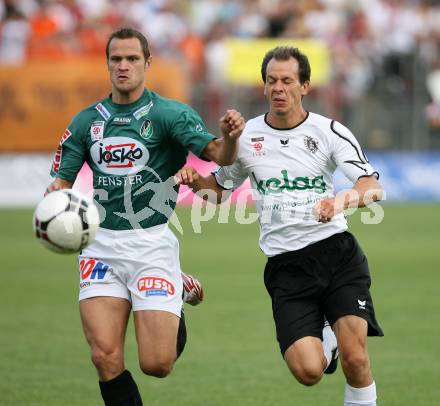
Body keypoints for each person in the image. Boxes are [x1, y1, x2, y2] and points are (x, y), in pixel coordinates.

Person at [45, 27, 245, 406]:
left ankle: (176, 288)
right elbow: (62, 183)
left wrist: (230, 137)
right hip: (100, 245)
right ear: (107, 64)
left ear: (147, 63)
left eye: (132, 58)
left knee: (157, 364)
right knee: (104, 357)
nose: (124, 66)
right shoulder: (86, 122)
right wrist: (55, 203)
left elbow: (220, 155)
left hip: (151, 244)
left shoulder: (169, 114)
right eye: (116, 59)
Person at [176, 46, 384, 406]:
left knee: (357, 358)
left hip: (336, 255)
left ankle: (342, 348)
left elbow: (371, 186)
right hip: (286, 267)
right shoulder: (247, 138)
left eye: (287, 81)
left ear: (305, 85)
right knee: (308, 372)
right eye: (271, 81)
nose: (278, 88)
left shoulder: (329, 131)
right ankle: (326, 337)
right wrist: (196, 182)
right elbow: (218, 193)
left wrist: (338, 202)